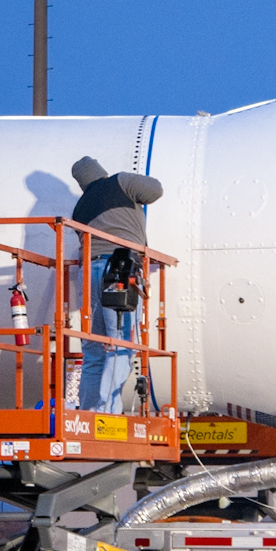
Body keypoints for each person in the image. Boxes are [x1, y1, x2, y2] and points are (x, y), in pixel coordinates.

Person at [70, 156, 163, 413]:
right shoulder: (119, 182)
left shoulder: (80, 207)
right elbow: (155, 190)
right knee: (121, 343)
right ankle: (107, 412)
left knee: (93, 349)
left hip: (88, 273)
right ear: (100, 170)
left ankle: (89, 412)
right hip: (119, 269)